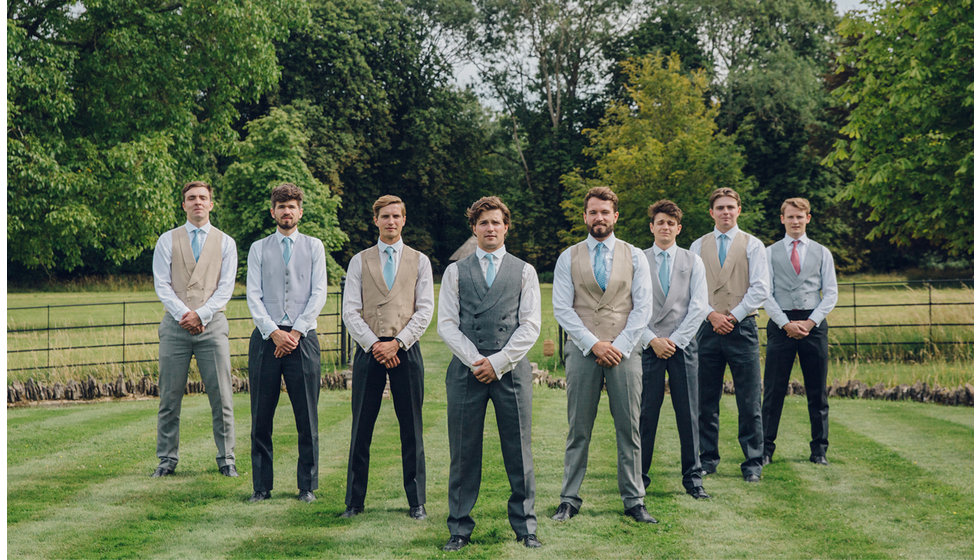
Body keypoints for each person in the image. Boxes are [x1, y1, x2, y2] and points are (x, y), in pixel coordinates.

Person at [437, 197, 542, 551]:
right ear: (474, 229)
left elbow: (530, 326)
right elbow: (447, 325)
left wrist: (498, 362)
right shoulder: (455, 271)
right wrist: (476, 361)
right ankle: (459, 528)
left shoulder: (525, 270)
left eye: (496, 222)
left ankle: (526, 527)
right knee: (463, 451)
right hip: (467, 371)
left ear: (506, 226)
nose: (490, 228)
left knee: (519, 450)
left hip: (511, 371)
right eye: (483, 223)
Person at [551, 186, 657, 524]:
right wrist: (593, 344)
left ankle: (634, 500)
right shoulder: (568, 256)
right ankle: (569, 499)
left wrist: (620, 346)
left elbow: (643, 308)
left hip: (625, 353)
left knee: (629, 429)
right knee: (578, 428)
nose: (599, 218)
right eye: (593, 212)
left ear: (615, 216)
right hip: (584, 352)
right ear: (585, 216)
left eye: (605, 212)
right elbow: (562, 309)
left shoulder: (635, 255)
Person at [341, 195, 434, 519]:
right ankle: (354, 502)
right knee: (361, 428)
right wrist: (374, 344)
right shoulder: (360, 261)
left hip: (406, 350)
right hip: (369, 351)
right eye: (385, 216)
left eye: (396, 216)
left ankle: (416, 502)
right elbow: (350, 310)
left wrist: (398, 343)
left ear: (403, 220)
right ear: (376, 220)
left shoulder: (420, 261)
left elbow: (424, 310)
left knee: (411, 427)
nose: (391, 221)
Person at [245, 183, 327, 503]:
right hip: (267, 339)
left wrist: (295, 332)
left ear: (300, 212)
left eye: (292, 206)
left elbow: (318, 292)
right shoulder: (258, 248)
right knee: (261, 416)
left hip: (302, 339)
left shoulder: (314, 246)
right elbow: (253, 295)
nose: (287, 211)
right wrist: (273, 332)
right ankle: (261, 487)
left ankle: (306, 486)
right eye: (281, 206)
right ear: (273, 212)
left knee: (306, 416)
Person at [151, 181, 237, 478]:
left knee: (222, 396)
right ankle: (166, 460)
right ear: (183, 204)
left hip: (212, 327)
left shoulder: (226, 242)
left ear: (211, 204)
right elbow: (161, 284)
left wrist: (201, 314)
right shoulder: (167, 240)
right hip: (175, 327)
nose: (197, 202)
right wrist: (183, 314)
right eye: (191, 198)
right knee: (169, 397)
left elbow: (226, 287)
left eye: (203, 198)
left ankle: (227, 459)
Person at [690, 187, 769, 482]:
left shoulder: (753, 245)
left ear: (739, 210)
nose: (725, 212)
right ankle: (707, 458)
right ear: (711, 212)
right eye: (720, 207)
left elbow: (760, 288)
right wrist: (712, 315)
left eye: (730, 207)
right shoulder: (697, 246)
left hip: (743, 327)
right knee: (705, 399)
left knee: (749, 399)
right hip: (707, 327)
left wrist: (732, 316)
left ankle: (752, 462)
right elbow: (692, 291)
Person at [639, 200, 711, 499]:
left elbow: (699, 306)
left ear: (678, 228)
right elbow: (631, 307)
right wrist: (651, 339)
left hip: (682, 347)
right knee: (645, 414)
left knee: (688, 413)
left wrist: (675, 341)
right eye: (660, 222)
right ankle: (638, 479)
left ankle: (693, 480)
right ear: (652, 227)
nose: (665, 227)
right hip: (647, 345)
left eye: (671, 223)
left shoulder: (693, 261)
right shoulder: (638, 260)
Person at [762, 198, 838, 466]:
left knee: (817, 391)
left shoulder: (822, 252)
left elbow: (830, 293)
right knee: (773, 389)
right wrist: (785, 323)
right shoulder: (769, 253)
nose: (795, 221)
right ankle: (765, 448)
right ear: (782, 219)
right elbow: (764, 293)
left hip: (813, 324)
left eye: (800, 216)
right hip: (781, 324)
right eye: (790, 216)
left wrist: (810, 322)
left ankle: (819, 449)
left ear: (808, 218)